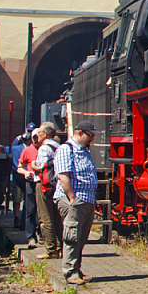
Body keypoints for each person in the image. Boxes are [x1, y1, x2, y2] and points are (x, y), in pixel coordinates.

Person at [53, 121, 98, 285]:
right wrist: (72, 198)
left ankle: (77, 268)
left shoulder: (84, 151)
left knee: (81, 237)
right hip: (74, 200)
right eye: (89, 135)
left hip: (86, 200)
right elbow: (63, 176)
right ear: (80, 133)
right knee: (72, 236)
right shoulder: (66, 149)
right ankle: (70, 272)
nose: (91, 139)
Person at [31, 122, 62, 260]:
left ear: (45, 134)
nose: (37, 135)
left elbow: (43, 168)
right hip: (57, 184)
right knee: (57, 217)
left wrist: (33, 166)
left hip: (44, 185)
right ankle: (62, 247)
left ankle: (51, 249)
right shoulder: (58, 146)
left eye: (39, 133)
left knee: (45, 217)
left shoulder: (44, 148)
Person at [17, 129, 40, 248]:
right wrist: (25, 172)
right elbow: (19, 167)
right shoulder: (27, 150)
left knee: (43, 210)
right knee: (30, 209)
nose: (37, 139)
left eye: (38, 137)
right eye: (35, 137)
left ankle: (42, 234)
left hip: (43, 182)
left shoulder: (45, 149)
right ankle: (31, 236)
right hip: (31, 181)